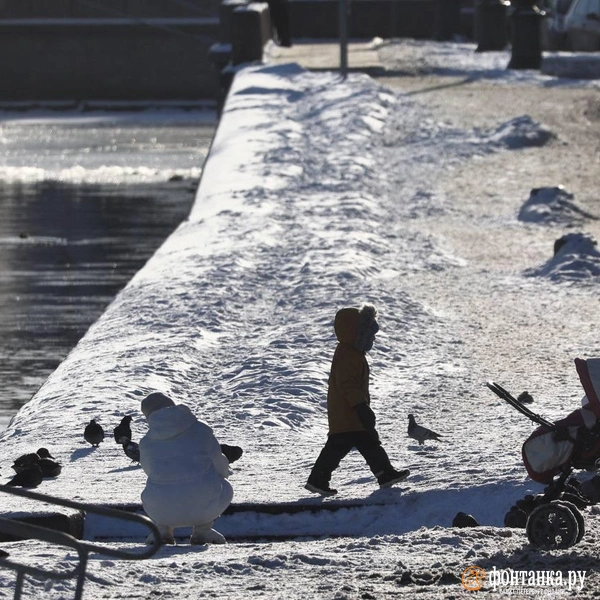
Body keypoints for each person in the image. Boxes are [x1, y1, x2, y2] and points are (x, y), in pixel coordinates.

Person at [305, 304, 410, 496]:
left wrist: (361, 406)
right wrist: (360, 406)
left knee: (368, 441)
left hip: (351, 414)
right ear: (357, 334)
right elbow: (347, 384)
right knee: (338, 447)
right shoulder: (347, 355)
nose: (373, 339)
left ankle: (385, 473)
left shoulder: (353, 353)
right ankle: (317, 479)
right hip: (347, 414)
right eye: (369, 334)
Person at [139, 392, 233, 545]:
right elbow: (218, 462)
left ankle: (163, 531)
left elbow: (149, 471)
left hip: (160, 510)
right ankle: (203, 531)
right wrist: (222, 476)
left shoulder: (146, 442)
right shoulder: (201, 429)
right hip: (204, 506)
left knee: (160, 487)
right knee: (225, 487)